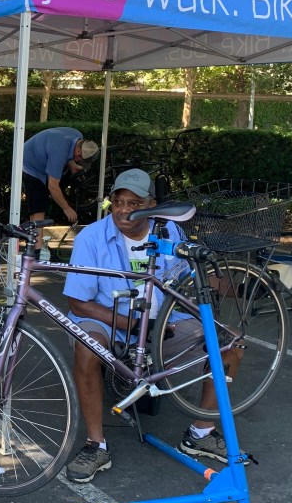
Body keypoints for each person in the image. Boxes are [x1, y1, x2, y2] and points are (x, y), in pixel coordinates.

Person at [62, 168, 240, 483]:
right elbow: (78, 304)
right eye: (118, 202)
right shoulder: (91, 237)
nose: (124, 210)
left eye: (134, 203)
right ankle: (95, 444)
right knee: (87, 348)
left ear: (152, 205)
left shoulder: (169, 230)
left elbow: (187, 279)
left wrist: (233, 286)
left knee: (230, 344)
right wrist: (131, 325)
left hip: (163, 324)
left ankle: (200, 433)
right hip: (109, 322)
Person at [21, 126, 99, 259]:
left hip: (42, 158)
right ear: (78, 150)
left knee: (41, 203)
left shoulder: (77, 135)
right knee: (39, 207)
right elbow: (53, 186)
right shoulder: (59, 152)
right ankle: (37, 250)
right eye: (79, 158)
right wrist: (66, 208)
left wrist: (71, 164)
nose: (79, 161)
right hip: (29, 164)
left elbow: (65, 150)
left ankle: (35, 244)